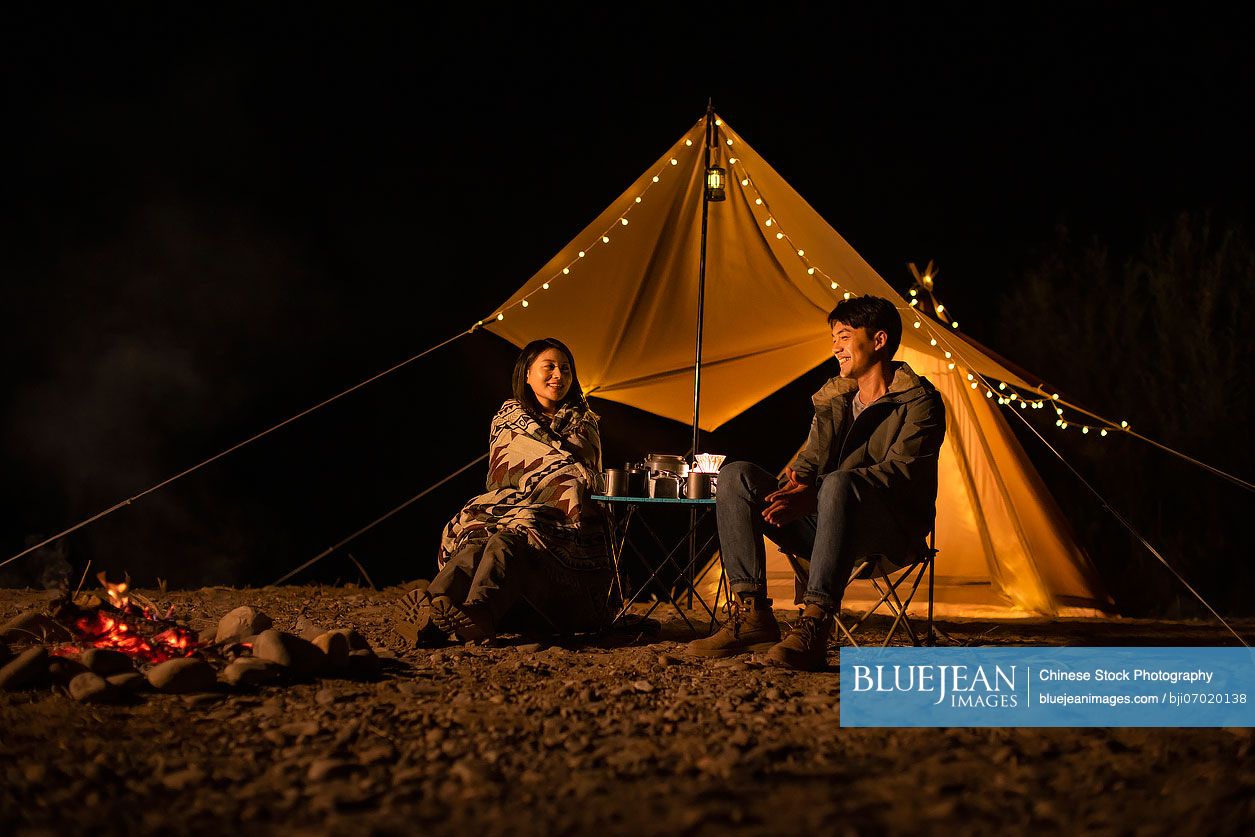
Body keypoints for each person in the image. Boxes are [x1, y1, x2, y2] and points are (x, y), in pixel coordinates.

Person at [687, 295, 946, 670]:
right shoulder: (836, 400)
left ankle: (815, 622)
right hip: (825, 525)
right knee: (735, 476)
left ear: (879, 340)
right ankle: (752, 613)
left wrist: (819, 494)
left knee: (839, 484)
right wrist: (797, 486)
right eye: (833, 338)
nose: (835, 347)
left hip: (888, 530)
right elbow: (807, 465)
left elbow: (903, 472)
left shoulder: (919, 402)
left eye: (843, 335)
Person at [394, 337, 614, 645]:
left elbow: (579, 475)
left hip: (560, 517)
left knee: (506, 540)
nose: (559, 376)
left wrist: (549, 483)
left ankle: (478, 612)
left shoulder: (584, 422)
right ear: (526, 373)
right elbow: (503, 475)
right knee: (475, 542)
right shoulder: (508, 419)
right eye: (549, 367)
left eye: (565, 369)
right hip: (506, 505)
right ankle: (430, 608)